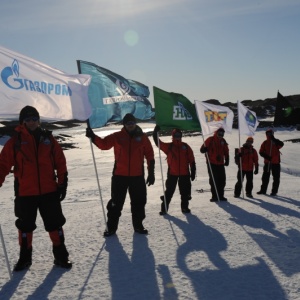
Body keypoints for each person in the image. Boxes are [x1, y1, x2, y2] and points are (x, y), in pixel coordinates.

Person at [0, 106, 71, 271]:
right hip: (25, 193)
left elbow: (60, 162)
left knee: (55, 224)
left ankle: (61, 257)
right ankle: (25, 259)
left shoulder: (48, 139)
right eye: (28, 119)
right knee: (25, 227)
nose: (32, 122)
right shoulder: (15, 141)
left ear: (38, 120)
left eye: (34, 119)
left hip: (49, 191)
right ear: (22, 122)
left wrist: (62, 182)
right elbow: (3, 165)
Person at [86, 113, 155, 237]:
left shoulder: (143, 137)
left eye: (132, 123)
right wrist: (93, 136)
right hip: (119, 176)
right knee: (116, 203)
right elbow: (104, 144)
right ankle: (111, 228)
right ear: (124, 124)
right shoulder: (118, 136)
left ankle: (138, 226)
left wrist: (151, 173)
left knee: (139, 202)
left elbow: (149, 155)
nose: (130, 125)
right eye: (128, 123)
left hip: (137, 176)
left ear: (135, 123)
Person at [153, 125, 196, 215]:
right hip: (172, 173)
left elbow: (191, 159)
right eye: (176, 135)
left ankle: (184, 207)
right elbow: (158, 143)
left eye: (179, 135)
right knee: (169, 192)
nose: (177, 137)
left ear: (181, 136)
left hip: (185, 173)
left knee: (184, 192)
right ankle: (164, 209)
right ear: (173, 136)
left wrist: (193, 171)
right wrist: (155, 132)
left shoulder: (185, 147)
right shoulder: (169, 146)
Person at [200, 127, 229, 202]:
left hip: (220, 163)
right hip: (211, 163)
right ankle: (214, 196)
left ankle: (221, 195)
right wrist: (204, 149)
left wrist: (227, 159)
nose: (221, 135)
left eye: (222, 134)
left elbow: (226, 151)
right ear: (216, 133)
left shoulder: (223, 141)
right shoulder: (210, 139)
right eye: (220, 133)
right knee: (214, 180)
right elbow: (202, 149)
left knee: (222, 180)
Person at [257, 129, 284, 196]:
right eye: (267, 133)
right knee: (265, 177)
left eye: (270, 133)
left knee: (276, 178)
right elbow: (261, 151)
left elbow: (281, 144)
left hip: (276, 163)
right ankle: (263, 190)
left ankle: (274, 191)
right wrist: (266, 157)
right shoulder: (265, 142)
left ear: (272, 134)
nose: (269, 135)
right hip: (267, 162)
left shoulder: (275, 142)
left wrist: (274, 139)